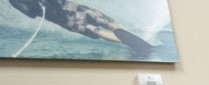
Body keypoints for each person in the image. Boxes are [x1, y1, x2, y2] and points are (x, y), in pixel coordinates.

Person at [8, 0, 154, 58]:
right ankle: (132, 44)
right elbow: (31, 14)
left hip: (74, 8)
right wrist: (37, 4)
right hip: (67, 21)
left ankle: (136, 41)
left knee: (106, 22)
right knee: (97, 31)